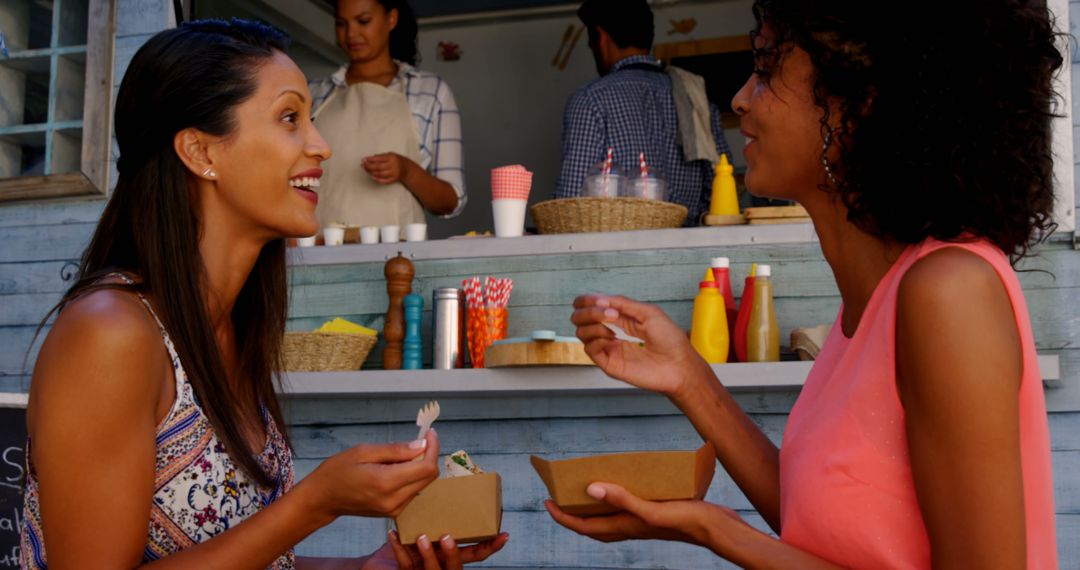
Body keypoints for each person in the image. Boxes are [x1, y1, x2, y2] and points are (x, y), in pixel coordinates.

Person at [547, 0, 1061, 567]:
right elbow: (820, 523)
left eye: (766, 72)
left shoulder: (948, 292)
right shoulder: (867, 309)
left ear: (856, 106)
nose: (740, 98)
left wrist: (721, 533)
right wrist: (688, 378)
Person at [19, 19, 507, 569]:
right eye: (290, 118)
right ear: (200, 150)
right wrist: (315, 504)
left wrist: (371, 567)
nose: (322, 146)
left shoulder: (229, 328)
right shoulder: (110, 334)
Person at [554, 0, 733, 225]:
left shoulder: (591, 101)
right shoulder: (696, 99)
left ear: (600, 36)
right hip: (690, 251)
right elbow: (721, 191)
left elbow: (571, 207)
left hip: (617, 253)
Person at [308, 0, 465, 229]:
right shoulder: (312, 93)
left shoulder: (430, 92)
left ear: (391, 19)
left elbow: (450, 201)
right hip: (318, 253)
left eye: (363, 21)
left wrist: (406, 170)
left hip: (397, 257)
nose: (351, 33)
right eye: (341, 24)